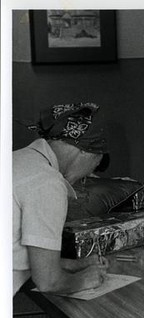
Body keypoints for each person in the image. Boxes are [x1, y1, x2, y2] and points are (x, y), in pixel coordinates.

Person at [13, 102, 111, 297]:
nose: (89, 175)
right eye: (94, 165)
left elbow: (21, 253)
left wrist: (75, 265)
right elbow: (48, 281)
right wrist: (83, 279)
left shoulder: (20, 159)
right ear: (85, 150)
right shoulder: (47, 182)